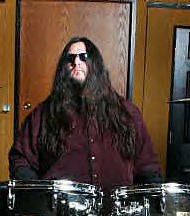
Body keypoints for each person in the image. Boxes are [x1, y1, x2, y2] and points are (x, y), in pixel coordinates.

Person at [9, 36, 162, 197]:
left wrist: (151, 201)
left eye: (83, 56)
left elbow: (148, 166)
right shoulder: (44, 113)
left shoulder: (127, 112)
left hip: (114, 209)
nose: (77, 62)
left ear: (95, 64)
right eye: (70, 58)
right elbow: (21, 159)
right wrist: (38, 196)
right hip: (59, 210)